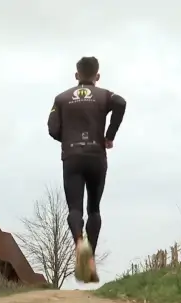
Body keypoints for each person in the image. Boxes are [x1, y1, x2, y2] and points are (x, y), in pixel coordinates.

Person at [47, 56, 127, 283]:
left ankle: (79, 242)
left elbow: (52, 129)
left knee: (74, 208)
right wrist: (109, 136)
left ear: (76, 75)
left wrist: (68, 138)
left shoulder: (62, 98)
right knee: (94, 209)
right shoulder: (104, 95)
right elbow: (121, 103)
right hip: (96, 156)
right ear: (97, 76)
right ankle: (89, 256)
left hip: (72, 157)